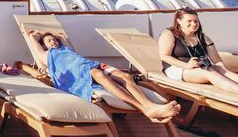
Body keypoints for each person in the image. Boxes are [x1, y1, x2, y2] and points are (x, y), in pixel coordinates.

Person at [27, 29, 180, 123]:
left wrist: (55, 36)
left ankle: (149, 106)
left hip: (90, 63)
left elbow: (62, 37)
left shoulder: (66, 48)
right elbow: (33, 41)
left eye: (54, 40)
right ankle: (146, 109)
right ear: (44, 45)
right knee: (99, 74)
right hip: (76, 72)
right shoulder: (46, 55)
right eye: (49, 41)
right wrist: (36, 36)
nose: (53, 42)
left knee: (126, 77)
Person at [159, 7, 238, 93]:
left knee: (220, 69)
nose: (194, 24)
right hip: (177, 69)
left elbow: (217, 60)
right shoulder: (169, 34)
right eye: (189, 21)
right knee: (209, 72)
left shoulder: (202, 37)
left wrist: (222, 69)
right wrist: (186, 65)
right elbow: (164, 56)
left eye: (196, 21)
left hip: (200, 67)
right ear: (179, 21)